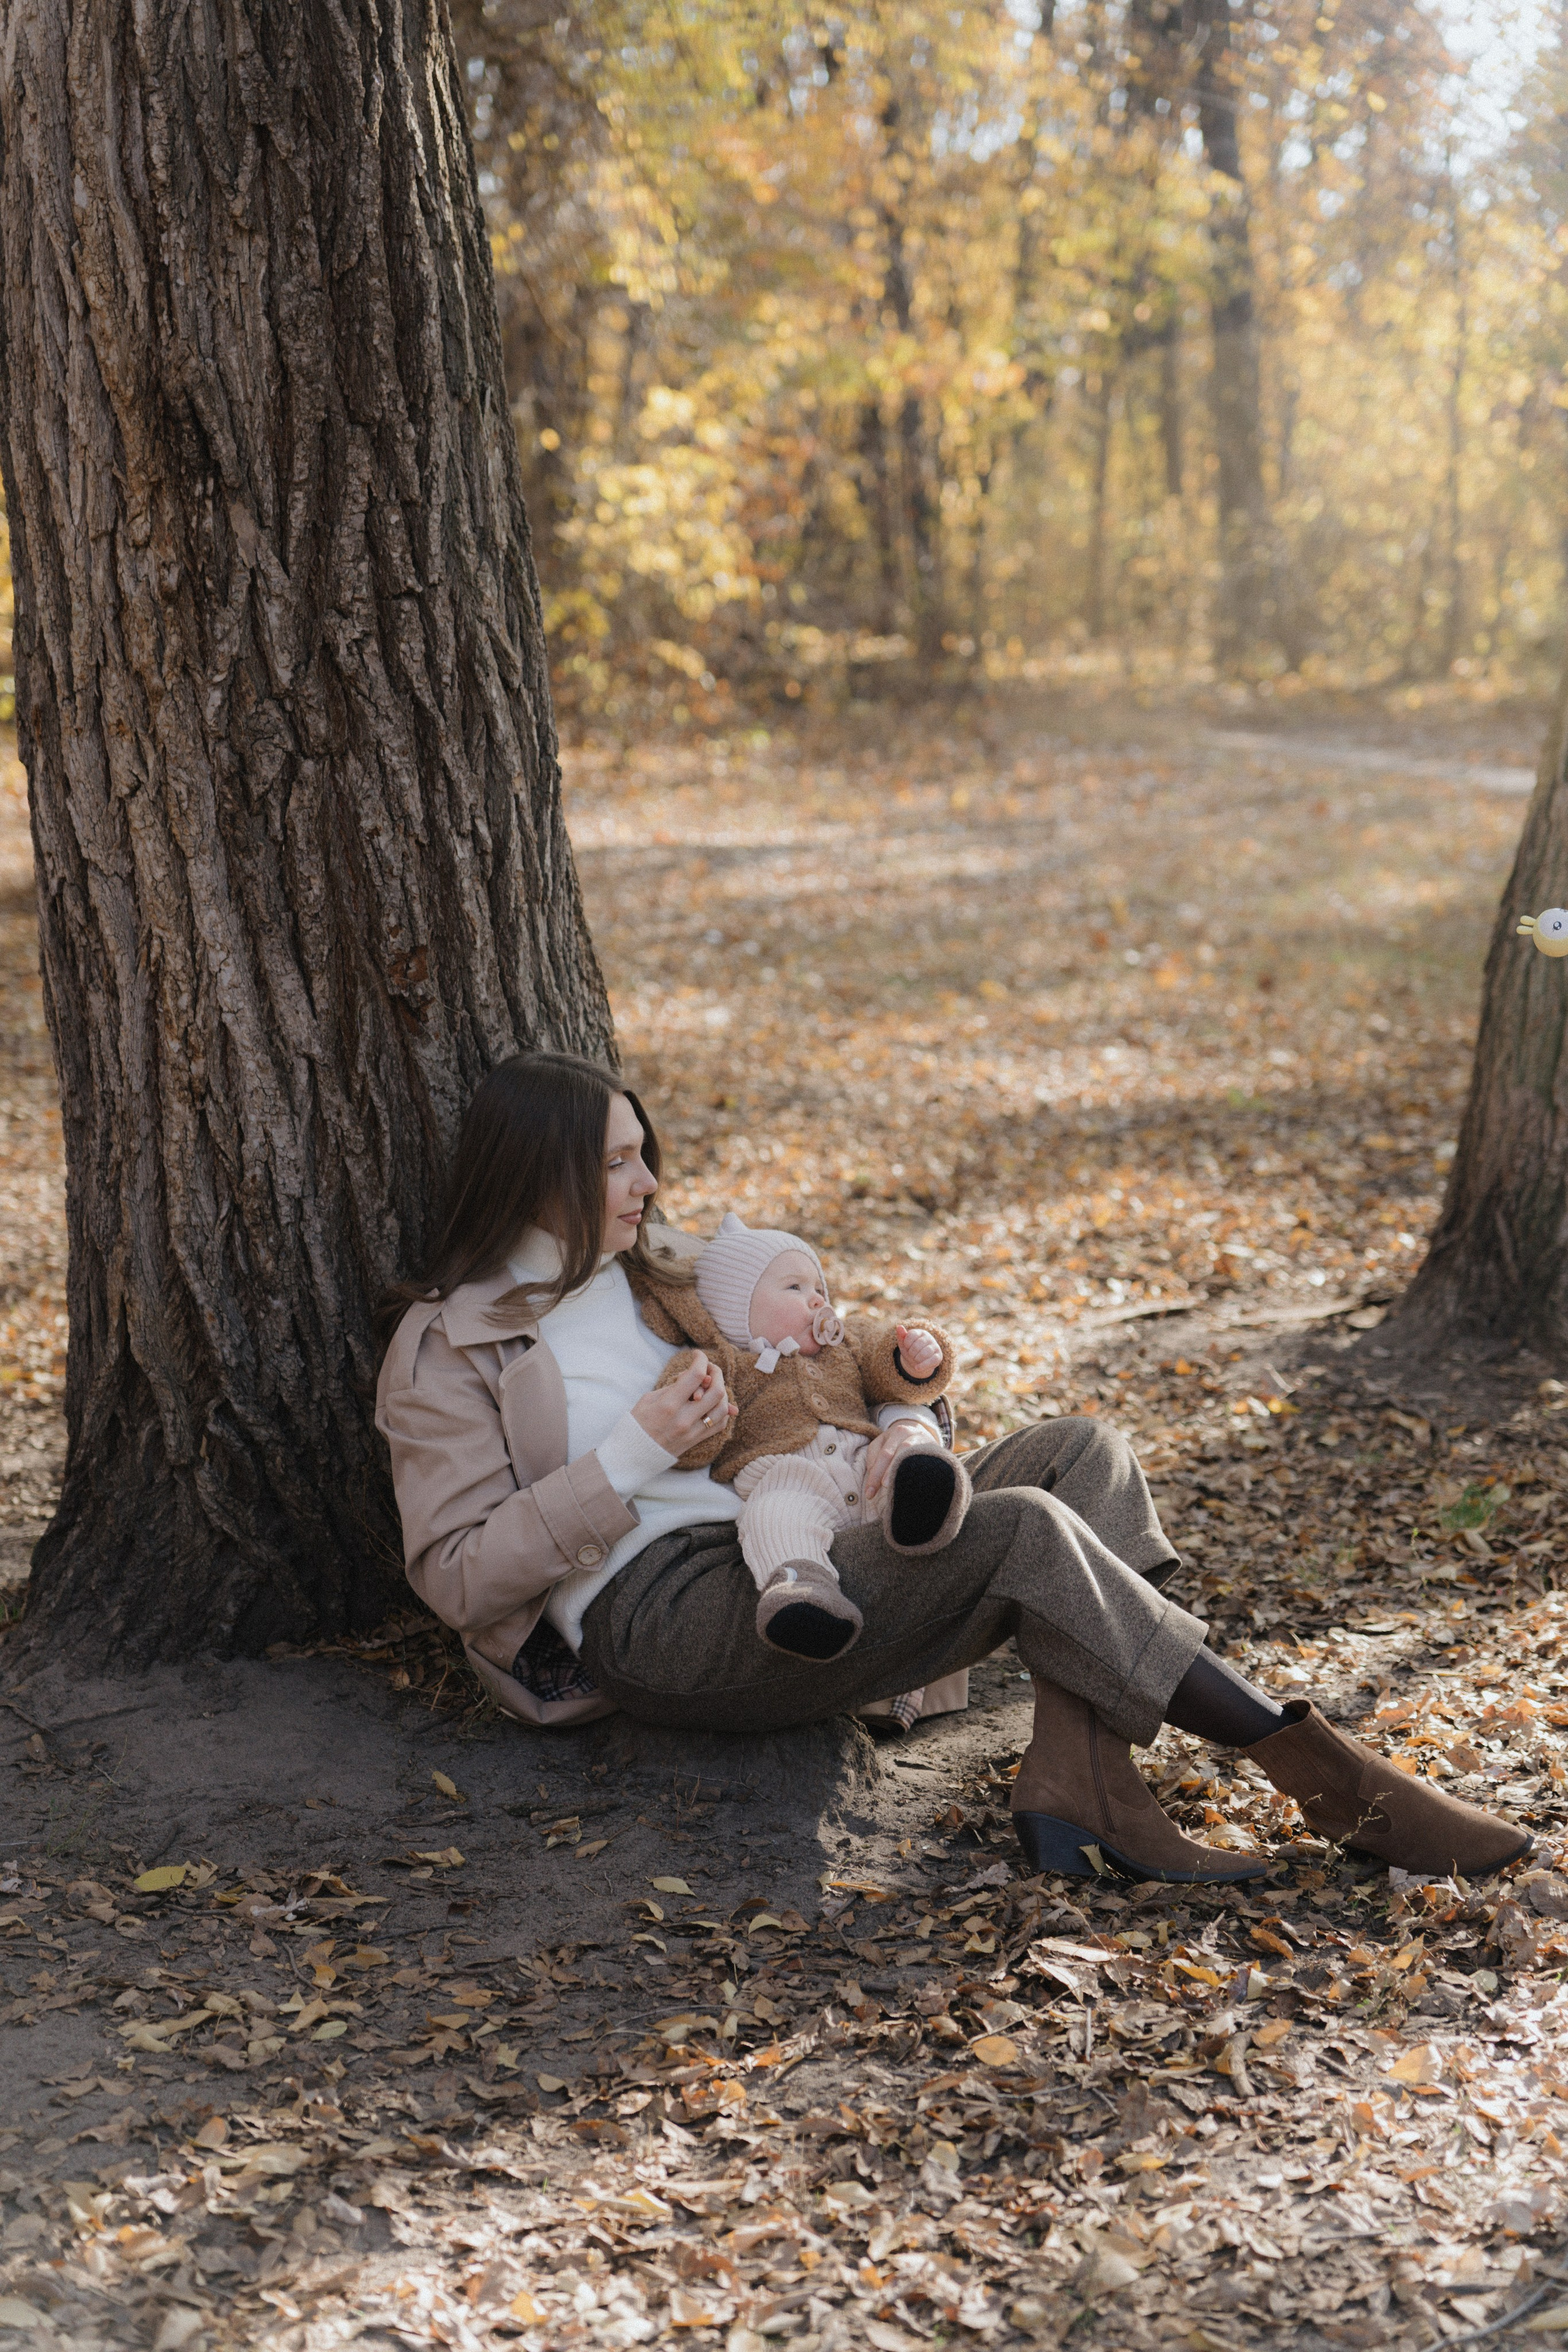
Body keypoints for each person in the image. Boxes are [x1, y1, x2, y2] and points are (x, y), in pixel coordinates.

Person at [375, 1050, 1531, 1887]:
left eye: (645, 1157)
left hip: (804, 1529)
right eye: (616, 1164)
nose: (647, 1186)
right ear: (535, 1175)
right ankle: (1325, 1776)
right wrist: (636, 1452)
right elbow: (460, 1576)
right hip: (664, 1617)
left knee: (1083, 1452)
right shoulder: (452, 1343)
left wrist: (895, 1408)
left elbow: (819, 1355)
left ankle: (1081, 1784)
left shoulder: (661, 1270)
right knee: (1021, 1526)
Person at [630, 1212, 971, 1660]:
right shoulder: (720, 1365)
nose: (816, 1300)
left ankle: (924, 1500)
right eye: (795, 1288)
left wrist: (912, 1358)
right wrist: (703, 1409)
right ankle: (803, 1594)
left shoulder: (844, 1345)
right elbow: (691, 1443)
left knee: (900, 1466)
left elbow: (884, 1366)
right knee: (772, 1518)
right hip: (784, 1474)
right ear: (736, 1308)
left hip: (862, 1461)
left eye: (819, 1289)